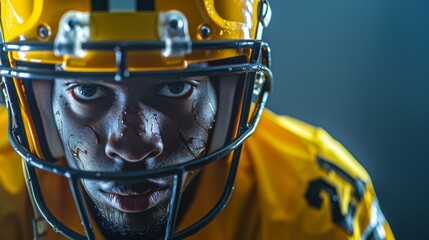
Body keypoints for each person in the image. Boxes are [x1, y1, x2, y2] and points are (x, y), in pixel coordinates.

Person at [0, 0, 394, 239]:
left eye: (174, 88)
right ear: (32, 100)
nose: (133, 146)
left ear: (231, 94)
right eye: (87, 91)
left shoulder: (310, 206)